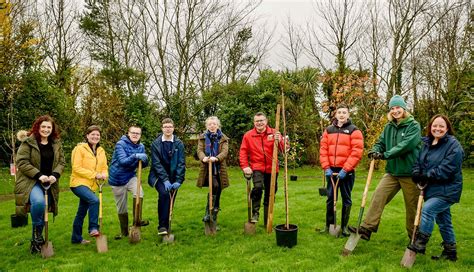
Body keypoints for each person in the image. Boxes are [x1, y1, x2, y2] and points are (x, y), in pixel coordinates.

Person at [349, 95, 422, 241]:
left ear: (404, 108)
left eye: (398, 107)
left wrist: (385, 155)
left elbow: (405, 146)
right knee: (378, 196)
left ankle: (415, 237)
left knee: (412, 208)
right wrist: (375, 150)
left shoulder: (413, 125)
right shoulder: (388, 127)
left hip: (410, 173)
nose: (395, 111)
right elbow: (380, 142)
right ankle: (367, 228)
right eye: (392, 108)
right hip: (392, 172)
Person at [407, 114, 464, 262]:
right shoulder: (426, 143)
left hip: (448, 189)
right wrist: (416, 172)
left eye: (441, 126)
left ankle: (420, 243)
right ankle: (450, 252)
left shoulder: (453, 145)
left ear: (447, 128)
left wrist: (427, 175)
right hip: (432, 189)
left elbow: (448, 168)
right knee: (444, 221)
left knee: (428, 209)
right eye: (435, 125)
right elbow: (418, 162)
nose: (437, 128)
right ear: (430, 127)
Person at [14, 115, 66, 253]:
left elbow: (61, 162)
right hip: (30, 181)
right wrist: (39, 175)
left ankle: (36, 239)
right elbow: (22, 162)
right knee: (39, 203)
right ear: (38, 127)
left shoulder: (56, 143)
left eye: (49, 127)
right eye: (43, 126)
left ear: (52, 129)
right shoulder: (28, 142)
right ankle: (37, 237)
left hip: (50, 181)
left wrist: (55, 175)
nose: (46, 129)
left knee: (45, 207)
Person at [319, 104, 364, 236]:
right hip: (331, 170)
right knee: (330, 198)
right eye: (339, 112)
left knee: (346, 198)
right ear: (336, 115)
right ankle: (329, 226)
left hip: (346, 171)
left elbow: (357, 152)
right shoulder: (328, 130)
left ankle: (344, 227)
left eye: (344, 112)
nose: (342, 115)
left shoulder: (354, 131)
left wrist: (346, 169)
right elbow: (323, 150)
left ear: (348, 115)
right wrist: (326, 167)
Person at [239, 112, 287, 225]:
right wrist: (245, 166)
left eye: (261, 120)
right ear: (254, 123)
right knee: (258, 187)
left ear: (266, 121)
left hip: (272, 168)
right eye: (257, 121)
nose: (259, 123)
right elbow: (243, 152)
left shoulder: (274, 133)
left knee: (271, 194)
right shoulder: (248, 135)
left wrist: (280, 140)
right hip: (257, 167)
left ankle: (267, 220)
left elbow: (284, 150)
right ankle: (255, 212)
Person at [108, 125, 149, 240]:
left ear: (140, 135)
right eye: (133, 133)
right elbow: (122, 161)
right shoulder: (120, 144)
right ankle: (124, 231)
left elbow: (143, 164)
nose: (135, 135)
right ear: (128, 133)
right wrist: (135, 155)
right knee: (122, 207)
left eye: (138, 133)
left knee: (139, 193)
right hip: (117, 179)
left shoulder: (141, 146)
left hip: (131, 176)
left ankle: (137, 221)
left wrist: (145, 160)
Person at [70, 125, 108, 244]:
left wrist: (104, 174)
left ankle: (76, 238)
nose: (95, 136)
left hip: (92, 186)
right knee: (94, 201)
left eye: (97, 135)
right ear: (87, 136)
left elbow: (104, 167)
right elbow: (76, 168)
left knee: (81, 212)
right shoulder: (80, 149)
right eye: (92, 134)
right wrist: (94, 174)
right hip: (78, 183)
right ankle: (93, 228)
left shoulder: (101, 151)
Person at [148, 118, 186, 236]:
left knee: (171, 199)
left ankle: (167, 225)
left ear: (173, 128)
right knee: (164, 194)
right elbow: (156, 164)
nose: (168, 129)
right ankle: (162, 226)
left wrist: (179, 180)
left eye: (170, 126)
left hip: (174, 177)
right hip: (159, 177)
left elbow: (181, 163)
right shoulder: (156, 144)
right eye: (165, 127)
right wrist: (165, 180)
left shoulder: (179, 143)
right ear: (162, 129)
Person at [196, 116, 230, 225]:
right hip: (207, 168)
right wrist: (203, 158)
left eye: (214, 124)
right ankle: (208, 211)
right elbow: (199, 150)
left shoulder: (223, 138)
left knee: (219, 189)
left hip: (219, 168)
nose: (212, 126)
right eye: (210, 124)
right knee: (214, 186)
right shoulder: (202, 138)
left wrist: (217, 158)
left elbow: (225, 152)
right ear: (207, 126)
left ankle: (214, 215)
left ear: (218, 125)